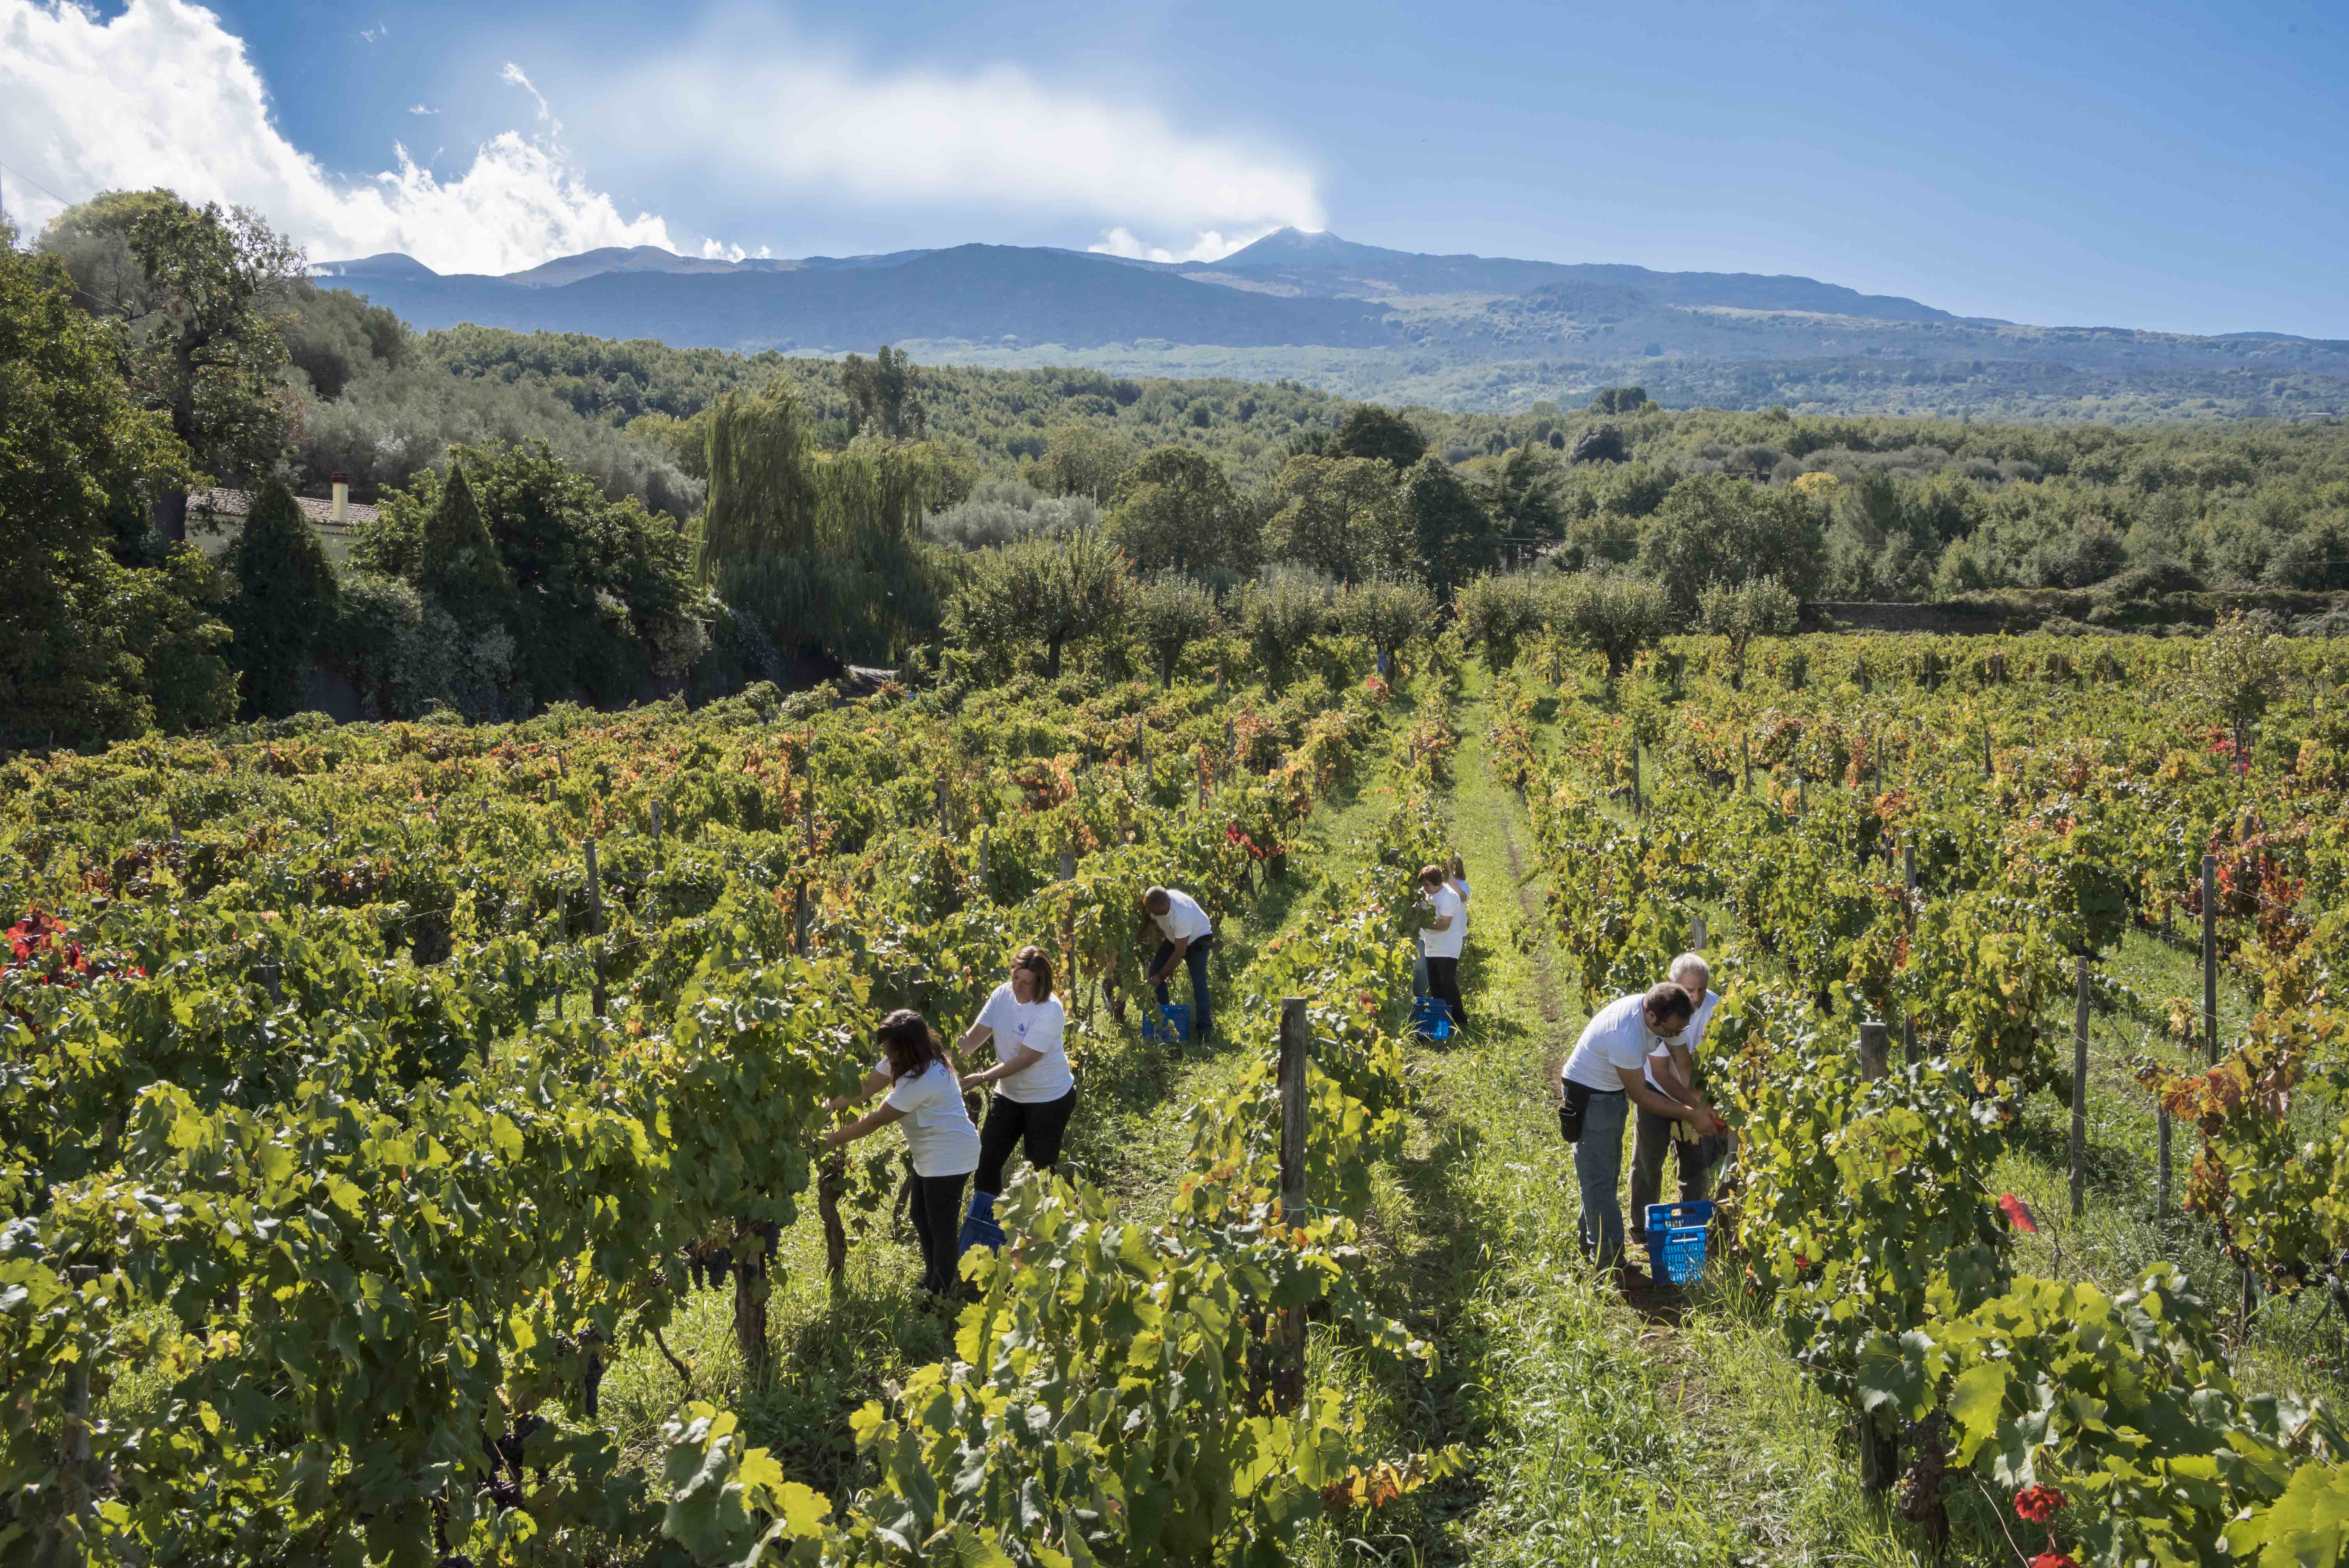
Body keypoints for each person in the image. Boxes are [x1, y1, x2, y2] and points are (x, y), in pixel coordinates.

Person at [1559, 983, 1723, 1270]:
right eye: (1671, 1031)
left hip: (1611, 1093)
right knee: (1599, 1180)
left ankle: (1590, 1246)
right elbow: (1642, 1096)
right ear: (1651, 1018)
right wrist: (1690, 1116)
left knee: (1605, 1173)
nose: (1675, 1036)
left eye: (1680, 1031)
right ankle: (1610, 1264)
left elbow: (1682, 1060)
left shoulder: (1669, 1017)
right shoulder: (1625, 1033)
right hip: (1590, 1096)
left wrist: (1699, 1106)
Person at [825, 1009, 981, 1299]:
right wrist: (829, 1106)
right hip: (931, 1151)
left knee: (941, 1226)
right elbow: (864, 1088)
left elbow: (875, 1120)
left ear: (907, 1046)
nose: (886, 1053)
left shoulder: (926, 1078)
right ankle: (933, 1279)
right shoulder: (906, 1057)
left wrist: (829, 1141)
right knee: (920, 1215)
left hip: (951, 1155)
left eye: (889, 1047)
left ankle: (940, 1295)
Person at [959, 946, 1076, 1198]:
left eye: (1026, 983)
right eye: (1015, 978)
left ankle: (1040, 1233)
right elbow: (971, 1040)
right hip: (1009, 1096)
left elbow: (1024, 1059)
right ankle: (989, 1227)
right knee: (986, 1165)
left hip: (1048, 1100)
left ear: (1040, 983)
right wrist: (939, 1056)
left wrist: (982, 1077)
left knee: (1039, 1176)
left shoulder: (1050, 1010)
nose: (1018, 987)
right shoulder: (1002, 995)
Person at [1628, 953, 1726, 1251]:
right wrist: (1695, 1109)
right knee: (1648, 1161)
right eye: (1690, 990)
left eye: (1701, 990)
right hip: (1655, 1090)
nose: (1696, 997)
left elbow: (1687, 1068)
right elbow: (1662, 1073)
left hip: (1694, 1090)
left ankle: (1691, 1229)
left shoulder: (1718, 1007)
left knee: (1696, 1165)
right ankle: (1642, 1231)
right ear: (1673, 984)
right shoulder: (1664, 1006)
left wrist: (1701, 1104)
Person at [1141, 886, 1214, 1044]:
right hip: (1176, 937)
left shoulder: (1180, 914)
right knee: (1154, 970)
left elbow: (1180, 953)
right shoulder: (1158, 905)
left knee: (1199, 984)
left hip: (1198, 940)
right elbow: (1154, 924)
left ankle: (1205, 1031)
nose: (1151, 913)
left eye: (1153, 909)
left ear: (1163, 905)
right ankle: (1163, 1021)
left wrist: (1162, 976)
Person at [1418, 864, 1467, 1030]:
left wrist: (1422, 923)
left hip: (1448, 946)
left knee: (1448, 983)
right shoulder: (1428, 895)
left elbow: (1444, 924)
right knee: (1435, 985)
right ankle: (1443, 1023)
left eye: (1427, 885)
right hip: (1432, 946)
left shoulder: (1448, 897)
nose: (1425, 888)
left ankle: (1460, 1022)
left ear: (1436, 882)